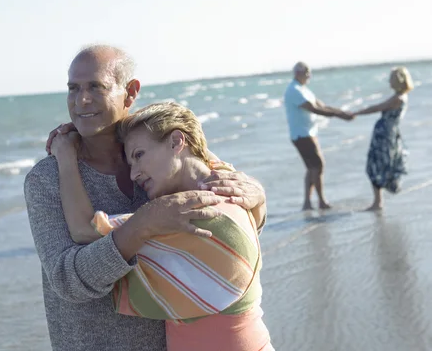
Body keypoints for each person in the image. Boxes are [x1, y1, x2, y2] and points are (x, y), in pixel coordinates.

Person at [24, 45, 267, 351]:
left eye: (96, 87)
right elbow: (67, 280)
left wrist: (256, 196)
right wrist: (143, 225)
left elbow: (221, 230)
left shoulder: (156, 159)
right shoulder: (46, 179)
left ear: (130, 92)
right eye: (73, 88)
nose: (81, 100)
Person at [284, 62, 353, 210]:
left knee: (312, 168)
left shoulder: (304, 90)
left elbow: (322, 105)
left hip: (309, 133)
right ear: (297, 73)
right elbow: (313, 109)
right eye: (306, 72)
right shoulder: (294, 90)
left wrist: (341, 113)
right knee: (318, 165)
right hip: (301, 134)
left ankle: (307, 203)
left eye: (309, 72)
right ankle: (321, 201)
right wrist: (338, 115)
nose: (309, 75)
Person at [351, 66, 414, 211]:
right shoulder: (399, 96)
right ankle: (378, 201)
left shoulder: (398, 98)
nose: (389, 82)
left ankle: (378, 202)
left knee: (376, 164)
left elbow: (378, 107)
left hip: (385, 134)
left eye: (391, 79)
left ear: (398, 80)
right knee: (379, 163)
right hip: (387, 132)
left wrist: (357, 112)